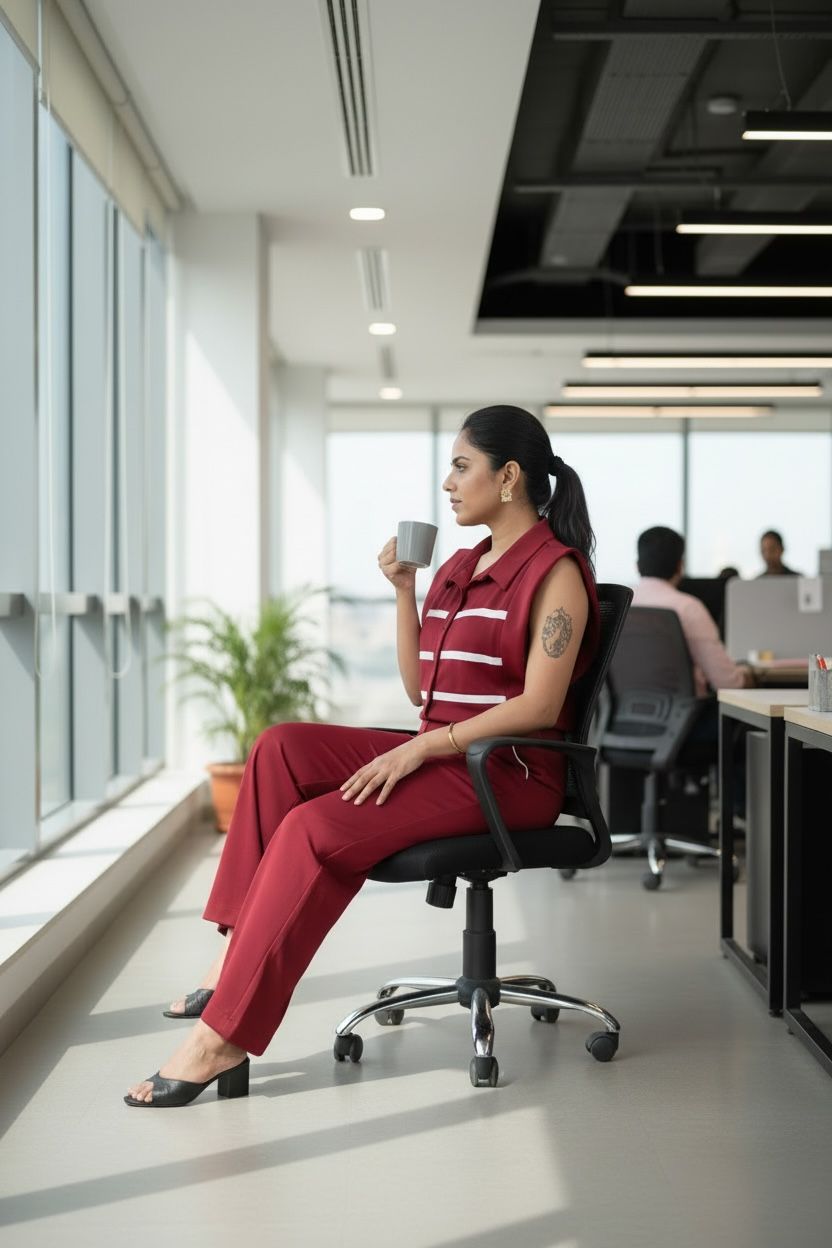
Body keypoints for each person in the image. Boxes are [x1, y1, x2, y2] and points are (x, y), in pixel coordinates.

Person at [125, 405, 601, 1107]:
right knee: (280, 747)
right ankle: (232, 958)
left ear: (508, 478)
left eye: (461, 466)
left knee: (316, 827)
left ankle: (220, 1038)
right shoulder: (462, 566)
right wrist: (406, 591)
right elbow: (420, 689)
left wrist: (421, 753)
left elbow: (535, 707)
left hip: (506, 770)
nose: (447, 482)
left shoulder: (556, 572)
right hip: (444, 749)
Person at [632, 526, 754, 699]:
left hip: (624, 717)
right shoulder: (688, 608)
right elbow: (728, 683)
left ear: (637, 565)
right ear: (680, 566)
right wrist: (751, 677)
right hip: (687, 720)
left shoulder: (622, 604)